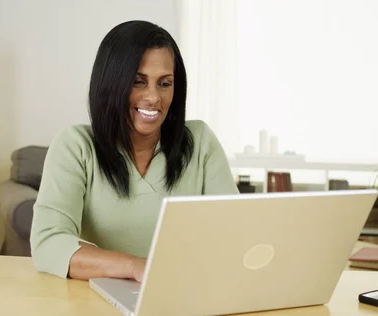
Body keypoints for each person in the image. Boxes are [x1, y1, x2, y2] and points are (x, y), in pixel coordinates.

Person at [30, 20, 239, 281]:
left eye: (164, 83)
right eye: (138, 82)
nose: (153, 97)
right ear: (111, 84)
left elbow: (235, 233)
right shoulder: (75, 146)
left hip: (185, 295)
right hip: (99, 301)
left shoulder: (200, 142)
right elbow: (49, 244)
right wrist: (135, 267)